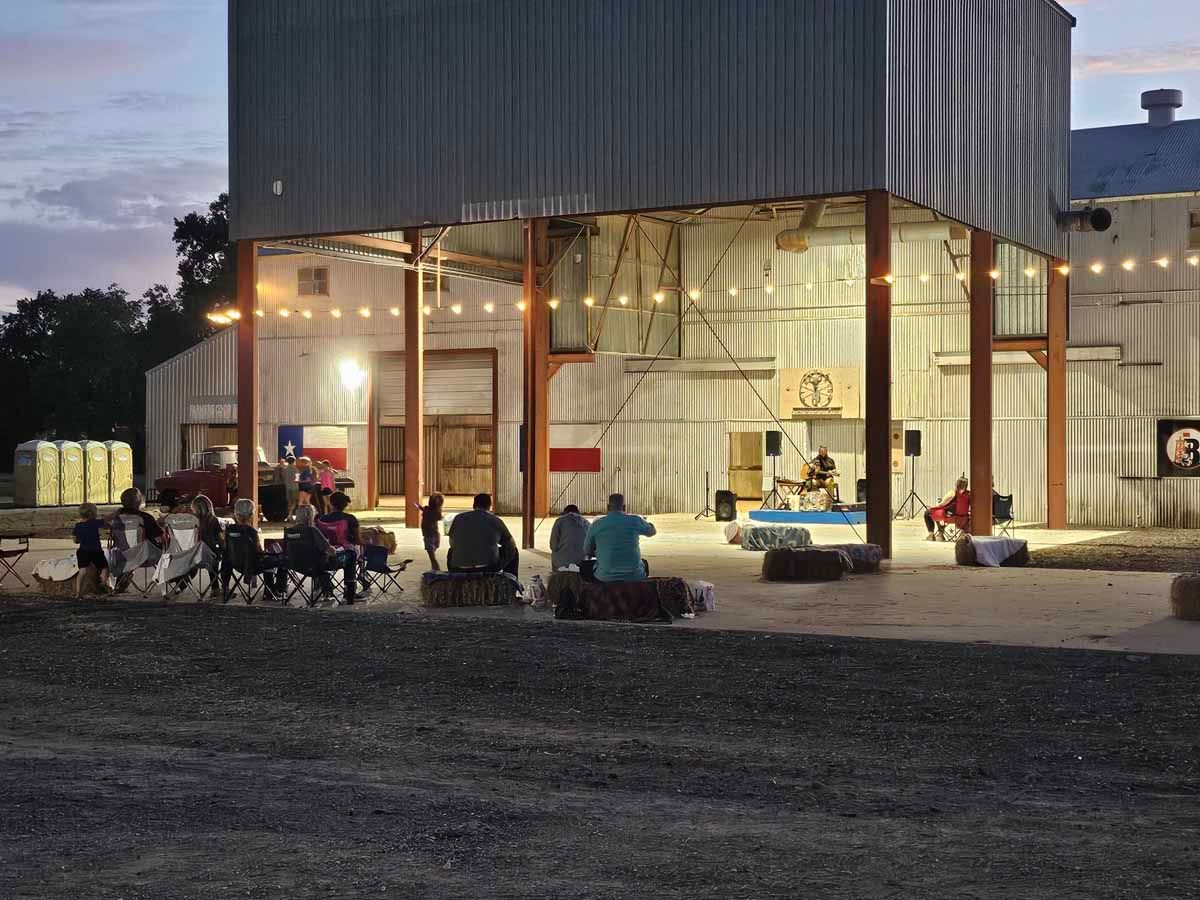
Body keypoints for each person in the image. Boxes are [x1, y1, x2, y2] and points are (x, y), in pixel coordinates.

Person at [221, 498, 286, 601]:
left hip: (234, 563)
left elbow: (225, 548)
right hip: (252, 565)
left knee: (227, 557)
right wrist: (267, 552)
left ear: (236, 513)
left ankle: (225, 588)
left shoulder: (229, 530)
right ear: (251, 515)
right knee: (278, 560)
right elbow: (259, 551)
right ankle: (274, 590)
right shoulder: (252, 532)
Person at [290, 503, 355, 604]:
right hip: (317, 566)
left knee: (320, 560)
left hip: (296, 564)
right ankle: (349, 593)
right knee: (351, 555)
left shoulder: (290, 531)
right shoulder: (312, 530)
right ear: (310, 515)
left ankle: (327, 589)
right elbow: (329, 550)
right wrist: (338, 551)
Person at [582, 493, 656, 583]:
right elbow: (652, 532)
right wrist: (648, 524)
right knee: (644, 563)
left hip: (605, 577)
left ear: (608, 507)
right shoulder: (635, 520)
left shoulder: (597, 524)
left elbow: (587, 551)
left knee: (584, 567)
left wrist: (600, 552)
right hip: (634, 576)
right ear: (624, 507)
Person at [447, 493, 518, 577]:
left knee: (451, 551)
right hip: (488, 567)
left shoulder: (458, 518)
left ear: (474, 505)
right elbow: (511, 544)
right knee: (514, 550)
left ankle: (455, 580)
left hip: (458, 568)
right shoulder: (495, 520)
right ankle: (510, 582)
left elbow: (452, 543)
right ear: (490, 506)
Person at [109, 487, 165, 592]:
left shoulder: (117, 519)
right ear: (139, 501)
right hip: (144, 556)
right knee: (166, 553)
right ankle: (173, 583)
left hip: (122, 556)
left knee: (128, 547)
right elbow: (160, 537)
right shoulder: (146, 518)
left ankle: (122, 581)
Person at [317, 491, 369, 601]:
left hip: (324, 557)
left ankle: (326, 587)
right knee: (354, 553)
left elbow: (319, 539)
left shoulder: (322, 519)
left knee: (352, 552)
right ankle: (350, 591)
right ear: (345, 505)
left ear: (331, 504)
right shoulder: (350, 519)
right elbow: (358, 540)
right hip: (343, 557)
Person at [72, 503, 109, 597]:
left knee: (82, 572)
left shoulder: (77, 526)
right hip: (96, 551)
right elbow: (106, 524)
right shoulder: (95, 522)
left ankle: (78, 593)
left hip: (83, 551)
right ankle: (103, 585)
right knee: (104, 568)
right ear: (92, 514)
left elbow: (75, 541)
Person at [924, 476, 970, 541]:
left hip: (949, 518)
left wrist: (933, 507)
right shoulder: (969, 494)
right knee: (944, 512)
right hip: (963, 520)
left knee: (929, 512)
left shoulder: (952, 493)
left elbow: (941, 505)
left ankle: (935, 534)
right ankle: (940, 535)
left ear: (956, 484)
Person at [549, 504, 589, 571]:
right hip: (581, 563)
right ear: (578, 512)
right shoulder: (587, 523)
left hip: (562, 563)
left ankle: (556, 575)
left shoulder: (559, 521)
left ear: (565, 512)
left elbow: (553, 545)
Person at [418, 493, 445, 571]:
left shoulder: (427, 510)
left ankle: (436, 570)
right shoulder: (437, 512)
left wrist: (420, 507)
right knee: (432, 556)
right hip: (436, 536)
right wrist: (420, 507)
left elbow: (425, 510)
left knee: (432, 558)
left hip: (428, 536)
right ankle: (434, 569)